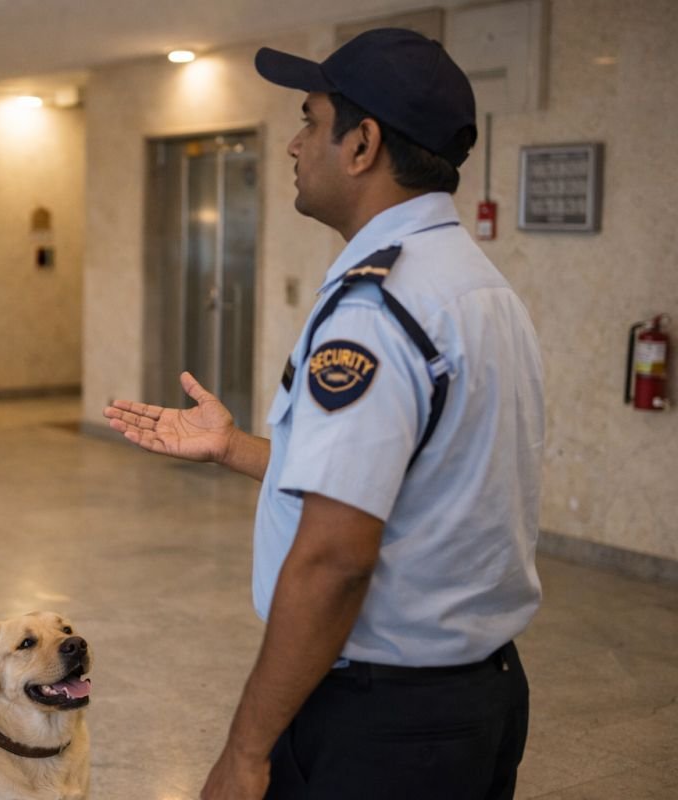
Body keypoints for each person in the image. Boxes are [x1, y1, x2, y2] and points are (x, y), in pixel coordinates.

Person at [105, 28, 543, 800]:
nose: (294, 145)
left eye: (310, 120)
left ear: (363, 143)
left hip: (387, 724)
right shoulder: (478, 289)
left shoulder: (376, 308)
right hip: (481, 698)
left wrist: (245, 751)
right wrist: (238, 447)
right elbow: (415, 485)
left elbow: (336, 559)